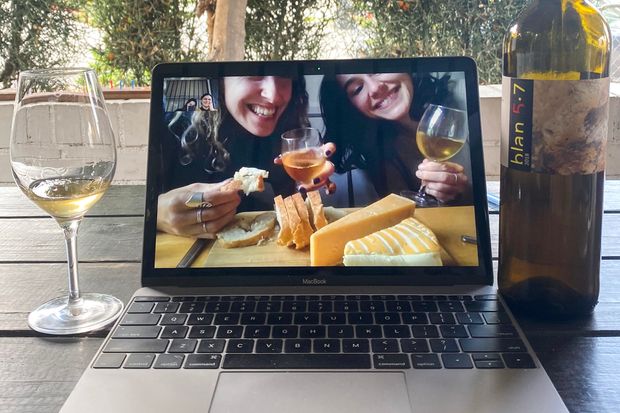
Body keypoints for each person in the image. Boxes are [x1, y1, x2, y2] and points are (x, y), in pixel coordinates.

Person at [158, 76, 334, 238]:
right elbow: (145, 205)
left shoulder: (284, 125)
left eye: (283, 74)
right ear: (220, 81)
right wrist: (158, 214)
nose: (273, 96)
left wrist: (301, 186)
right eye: (255, 74)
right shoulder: (172, 121)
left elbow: (284, 209)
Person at [319, 72, 470, 205]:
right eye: (358, 89)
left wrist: (466, 193)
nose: (375, 88)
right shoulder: (380, 153)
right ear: (351, 107)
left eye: (377, 71)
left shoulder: (465, 96)